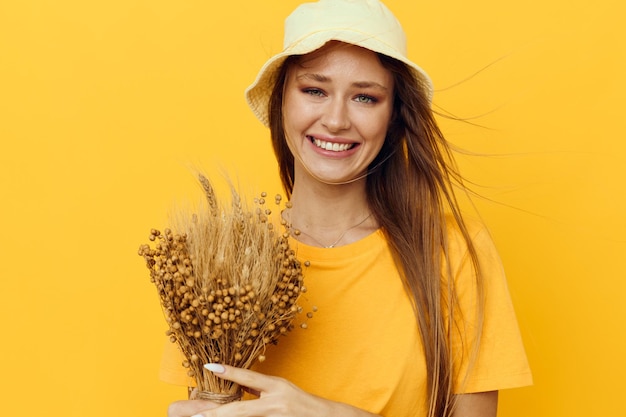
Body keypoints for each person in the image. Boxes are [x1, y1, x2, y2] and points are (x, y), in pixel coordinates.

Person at [163, 0, 532, 416]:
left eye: (365, 98)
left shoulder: (450, 253)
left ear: (393, 116)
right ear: (281, 100)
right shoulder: (219, 261)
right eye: (314, 90)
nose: (336, 120)